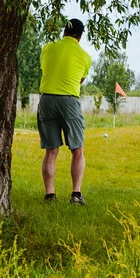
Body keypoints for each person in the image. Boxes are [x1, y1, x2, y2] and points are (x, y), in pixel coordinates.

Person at [37, 18, 92, 205]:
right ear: (80, 36)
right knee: (77, 149)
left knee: (51, 150)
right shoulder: (85, 56)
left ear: (64, 32)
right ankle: (76, 195)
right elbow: (80, 80)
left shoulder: (47, 48)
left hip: (46, 100)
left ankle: (50, 195)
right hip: (69, 100)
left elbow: (46, 69)